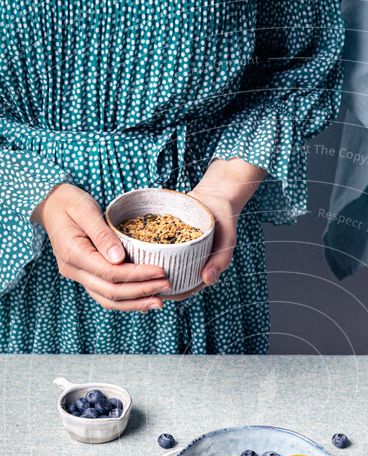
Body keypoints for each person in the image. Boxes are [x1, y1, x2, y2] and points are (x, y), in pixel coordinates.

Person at [0, 1, 343, 354]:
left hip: (197, 249)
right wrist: (39, 195)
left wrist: (224, 188)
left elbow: (297, 69)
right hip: (23, 248)